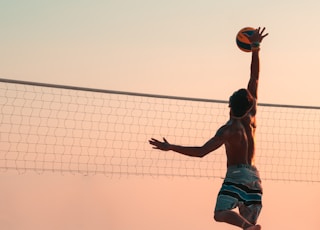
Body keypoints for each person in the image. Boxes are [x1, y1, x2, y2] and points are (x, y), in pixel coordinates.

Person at [149, 27, 268, 230]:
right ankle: (248, 227)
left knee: (220, 214)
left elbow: (201, 152)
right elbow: (254, 77)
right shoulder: (252, 117)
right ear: (249, 105)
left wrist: (171, 147)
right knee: (250, 223)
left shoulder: (228, 130)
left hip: (236, 175)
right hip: (255, 178)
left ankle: (246, 227)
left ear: (230, 105)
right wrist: (256, 48)